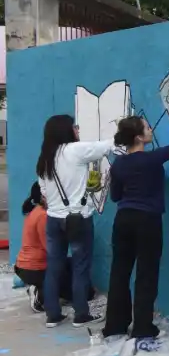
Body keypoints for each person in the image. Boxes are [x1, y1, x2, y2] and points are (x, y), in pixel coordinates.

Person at [102, 96, 169, 344]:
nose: (151, 129)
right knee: (146, 273)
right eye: (146, 127)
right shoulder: (152, 158)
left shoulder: (118, 165)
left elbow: (115, 196)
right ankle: (143, 327)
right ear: (139, 138)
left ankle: (115, 325)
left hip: (123, 220)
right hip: (147, 220)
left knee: (119, 272)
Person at [37, 114, 114, 328]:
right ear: (65, 130)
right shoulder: (76, 150)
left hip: (53, 219)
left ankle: (53, 315)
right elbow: (107, 146)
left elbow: (44, 192)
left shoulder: (45, 158)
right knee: (80, 267)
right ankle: (81, 314)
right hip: (78, 218)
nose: (77, 130)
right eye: (75, 126)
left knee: (54, 267)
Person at [14, 182, 94, 313]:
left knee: (72, 267)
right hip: (35, 268)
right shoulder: (43, 216)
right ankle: (40, 294)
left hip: (26, 266)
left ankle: (43, 287)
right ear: (43, 196)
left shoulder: (36, 211)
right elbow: (51, 248)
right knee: (85, 293)